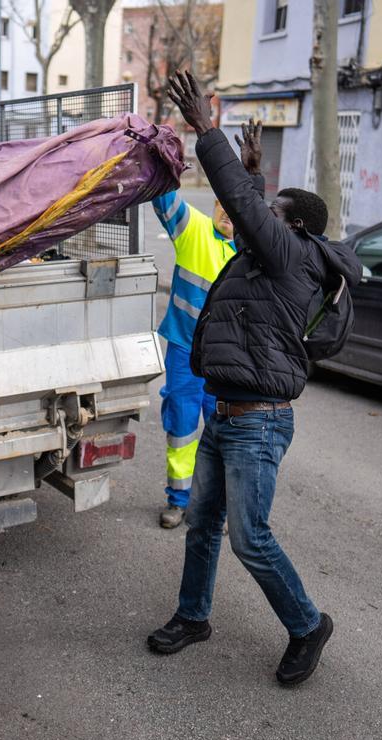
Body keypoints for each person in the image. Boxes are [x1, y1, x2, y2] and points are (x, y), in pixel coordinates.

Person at [145, 72, 361, 686]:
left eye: (273, 214)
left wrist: (206, 131)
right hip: (225, 412)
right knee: (201, 524)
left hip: (258, 424)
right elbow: (250, 210)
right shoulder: (275, 255)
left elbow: (244, 208)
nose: (260, 217)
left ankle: (306, 625)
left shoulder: (289, 258)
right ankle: (193, 617)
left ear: (290, 230)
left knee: (250, 538)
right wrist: (254, 171)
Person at [152, 179, 242, 529]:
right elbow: (164, 200)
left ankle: (215, 506)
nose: (228, 214)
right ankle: (179, 500)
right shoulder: (194, 229)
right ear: (216, 203)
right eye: (223, 204)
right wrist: (166, 166)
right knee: (182, 429)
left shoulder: (250, 253)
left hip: (225, 360)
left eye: (236, 210)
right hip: (185, 352)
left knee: (224, 433)